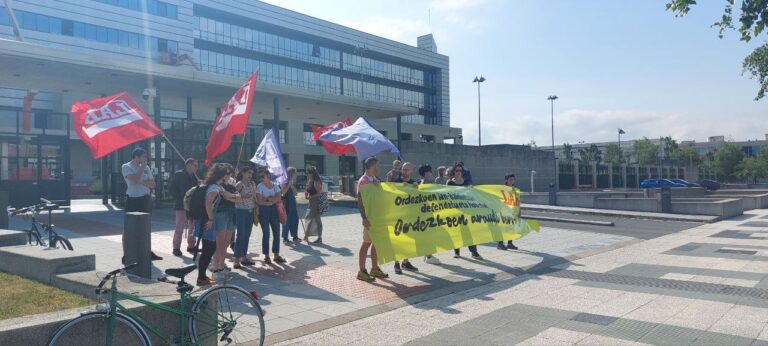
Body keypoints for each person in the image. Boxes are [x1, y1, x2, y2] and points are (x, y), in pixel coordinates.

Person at [196, 163, 238, 286]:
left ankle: (202, 276)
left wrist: (237, 196)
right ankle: (201, 277)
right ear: (222, 175)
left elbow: (228, 195)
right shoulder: (214, 188)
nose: (229, 176)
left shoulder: (215, 185)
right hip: (208, 222)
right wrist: (210, 219)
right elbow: (208, 204)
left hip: (208, 220)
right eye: (227, 173)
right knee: (207, 250)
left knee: (209, 249)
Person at [121, 147, 162, 262]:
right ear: (136, 157)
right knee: (128, 228)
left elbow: (153, 184)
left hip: (145, 200)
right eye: (143, 157)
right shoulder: (126, 167)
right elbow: (133, 180)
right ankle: (127, 254)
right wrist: (142, 171)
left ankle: (146, 252)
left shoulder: (146, 167)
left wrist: (142, 182)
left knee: (145, 226)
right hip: (133, 200)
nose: (145, 159)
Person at [357, 157, 389, 282]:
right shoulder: (363, 181)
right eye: (377, 166)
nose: (379, 168)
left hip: (377, 218)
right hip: (369, 218)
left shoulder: (375, 179)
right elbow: (360, 201)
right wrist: (364, 217)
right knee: (366, 243)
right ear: (372, 166)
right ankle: (362, 270)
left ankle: (374, 268)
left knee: (376, 242)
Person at [446, 163, 482, 259]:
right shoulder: (450, 183)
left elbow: (470, 196)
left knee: (470, 232)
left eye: (460, 170)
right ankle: (457, 252)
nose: (459, 172)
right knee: (456, 232)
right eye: (457, 170)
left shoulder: (466, 182)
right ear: (453, 172)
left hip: (466, 211)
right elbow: (447, 197)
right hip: (455, 211)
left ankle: (474, 252)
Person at [212, 164, 239, 279]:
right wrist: (233, 196)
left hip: (231, 214)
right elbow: (227, 196)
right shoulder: (218, 185)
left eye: (230, 173)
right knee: (219, 243)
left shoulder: (231, 185)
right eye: (226, 173)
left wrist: (232, 196)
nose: (228, 175)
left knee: (226, 243)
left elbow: (239, 198)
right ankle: (215, 269)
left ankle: (221, 266)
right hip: (221, 214)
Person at [392, 162, 419, 274]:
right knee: (398, 240)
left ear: (411, 171)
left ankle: (405, 262)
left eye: (407, 169)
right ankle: (396, 263)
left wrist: (418, 189)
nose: (404, 171)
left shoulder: (414, 183)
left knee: (410, 241)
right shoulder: (396, 182)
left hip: (410, 216)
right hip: (398, 216)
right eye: (403, 169)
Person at [169, 158, 199, 257]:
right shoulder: (179, 174)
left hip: (193, 206)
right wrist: (179, 199)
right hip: (181, 205)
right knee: (179, 227)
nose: (197, 167)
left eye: (197, 165)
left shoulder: (195, 177)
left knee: (192, 227)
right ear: (188, 165)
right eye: (195, 165)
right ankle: (176, 248)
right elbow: (172, 188)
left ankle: (191, 245)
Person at [256, 170, 287, 264]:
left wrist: (268, 199)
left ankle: (276, 255)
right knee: (266, 234)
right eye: (260, 176)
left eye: (263, 176)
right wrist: (272, 199)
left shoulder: (275, 185)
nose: (261, 178)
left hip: (274, 211)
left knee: (276, 233)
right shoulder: (259, 186)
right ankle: (266, 255)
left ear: (268, 176)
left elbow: (279, 197)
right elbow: (259, 201)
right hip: (263, 211)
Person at [233, 166, 257, 269]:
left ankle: (244, 257)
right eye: (248, 173)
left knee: (247, 235)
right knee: (241, 235)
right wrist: (243, 197)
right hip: (240, 212)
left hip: (250, 211)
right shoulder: (239, 184)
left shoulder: (252, 184)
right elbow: (233, 197)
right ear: (243, 173)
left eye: (251, 173)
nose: (250, 175)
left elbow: (255, 197)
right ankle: (236, 260)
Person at [419, 165, 440, 265]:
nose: (431, 173)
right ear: (427, 173)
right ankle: (429, 256)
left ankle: (427, 254)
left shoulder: (420, 182)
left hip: (426, 211)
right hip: (427, 212)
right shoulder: (427, 183)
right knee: (429, 235)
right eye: (430, 171)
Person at [499, 173, 520, 250]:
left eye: (513, 180)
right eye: (510, 180)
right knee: (502, 228)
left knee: (511, 227)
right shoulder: (502, 189)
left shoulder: (514, 189)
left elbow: (517, 201)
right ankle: (500, 244)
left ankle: (509, 243)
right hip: (503, 211)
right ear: (506, 180)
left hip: (512, 211)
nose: (512, 181)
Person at [303, 166, 324, 243]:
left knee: (308, 218)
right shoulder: (310, 180)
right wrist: (306, 193)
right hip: (311, 202)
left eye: (308, 173)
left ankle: (307, 236)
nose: (307, 175)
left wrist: (310, 196)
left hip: (316, 201)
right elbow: (308, 190)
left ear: (312, 174)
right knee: (316, 219)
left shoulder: (316, 181)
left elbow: (319, 193)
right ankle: (318, 237)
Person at [281, 167, 301, 244]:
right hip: (286, 202)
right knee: (286, 220)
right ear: (291, 173)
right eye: (295, 173)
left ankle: (295, 236)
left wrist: (292, 186)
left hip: (292, 202)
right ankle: (285, 237)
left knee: (295, 219)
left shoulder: (291, 182)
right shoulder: (283, 181)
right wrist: (289, 184)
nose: (296, 175)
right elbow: (283, 192)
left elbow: (296, 193)